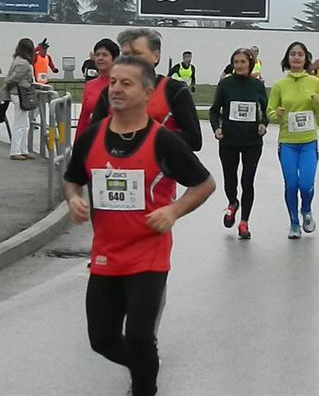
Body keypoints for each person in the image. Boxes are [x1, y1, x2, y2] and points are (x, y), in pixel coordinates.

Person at [64, 55, 215, 396]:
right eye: (113, 82)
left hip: (149, 254)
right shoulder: (90, 138)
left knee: (139, 336)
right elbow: (72, 179)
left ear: (148, 93)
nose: (115, 89)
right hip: (105, 255)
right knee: (101, 339)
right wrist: (73, 199)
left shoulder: (164, 141)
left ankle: (145, 385)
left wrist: (174, 211)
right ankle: (145, 367)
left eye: (125, 83)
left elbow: (204, 184)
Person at [91, 28, 202, 152]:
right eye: (126, 54)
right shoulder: (110, 93)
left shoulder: (175, 91)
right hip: (118, 168)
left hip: (163, 167)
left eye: (137, 54)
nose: (131, 60)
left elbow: (194, 141)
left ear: (156, 56)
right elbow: (93, 137)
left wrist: (148, 137)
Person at [267, 41, 319, 239]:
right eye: (293, 54)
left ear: (306, 58)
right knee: (291, 185)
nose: (297, 57)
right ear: (287, 58)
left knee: (306, 184)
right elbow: (270, 112)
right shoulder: (279, 85)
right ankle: (294, 223)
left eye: (300, 54)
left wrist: (318, 103)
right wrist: (278, 113)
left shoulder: (314, 82)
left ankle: (306, 210)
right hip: (288, 143)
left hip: (308, 141)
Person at [209, 48, 268, 239]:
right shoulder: (226, 84)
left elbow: (267, 111)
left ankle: (244, 222)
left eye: (243, 62)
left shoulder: (257, 86)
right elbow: (214, 110)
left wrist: (263, 124)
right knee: (230, 178)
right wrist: (216, 128)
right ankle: (232, 202)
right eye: (236, 62)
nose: (239, 65)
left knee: (247, 181)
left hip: (252, 141)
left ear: (250, 63)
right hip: (229, 140)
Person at [75, 39, 120, 140]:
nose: (100, 58)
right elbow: (84, 118)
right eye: (97, 55)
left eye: (105, 55)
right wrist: (78, 144)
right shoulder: (90, 85)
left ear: (115, 58)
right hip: (95, 139)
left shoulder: (123, 84)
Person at [1, 38, 36, 161]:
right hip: (20, 93)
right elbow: (13, 79)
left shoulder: (18, 60)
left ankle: (22, 150)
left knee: (24, 123)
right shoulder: (23, 63)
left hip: (18, 93)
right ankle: (16, 151)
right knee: (20, 123)